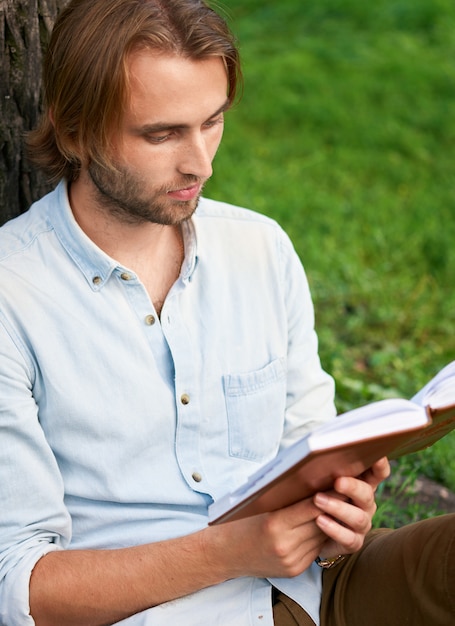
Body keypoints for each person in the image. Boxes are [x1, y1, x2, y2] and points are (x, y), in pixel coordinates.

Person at [0, 1, 453, 625]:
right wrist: (231, 552)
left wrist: (340, 507)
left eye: (212, 122)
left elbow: (308, 441)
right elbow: (23, 590)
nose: (202, 164)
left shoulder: (260, 248)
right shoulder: (12, 296)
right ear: (74, 131)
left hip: (313, 588)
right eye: (162, 134)